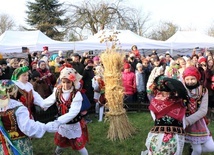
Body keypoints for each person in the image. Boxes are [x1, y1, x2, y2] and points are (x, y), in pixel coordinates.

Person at [0, 80, 59, 155]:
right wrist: (45, 127)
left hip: (2, 146)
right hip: (19, 145)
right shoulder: (18, 108)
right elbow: (28, 128)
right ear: (13, 91)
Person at [43, 67, 89, 155]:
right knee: (61, 143)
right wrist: (40, 103)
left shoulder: (76, 94)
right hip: (62, 124)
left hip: (73, 123)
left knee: (80, 146)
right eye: (63, 82)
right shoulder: (58, 91)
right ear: (61, 81)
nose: (66, 85)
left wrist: (58, 122)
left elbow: (73, 112)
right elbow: (48, 101)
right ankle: (57, 153)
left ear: (73, 82)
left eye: (68, 82)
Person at [142, 75, 190, 155]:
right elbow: (183, 122)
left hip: (159, 134)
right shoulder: (179, 103)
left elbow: (155, 118)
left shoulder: (155, 103)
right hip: (173, 135)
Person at [183, 66, 214, 155]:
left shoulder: (203, 91)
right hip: (185, 123)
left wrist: (188, 121)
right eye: (187, 79)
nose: (190, 81)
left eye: (192, 79)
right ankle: (193, 149)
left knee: (211, 148)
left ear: (197, 78)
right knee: (198, 150)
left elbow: (203, 111)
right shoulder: (182, 90)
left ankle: (192, 148)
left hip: (198, 121)